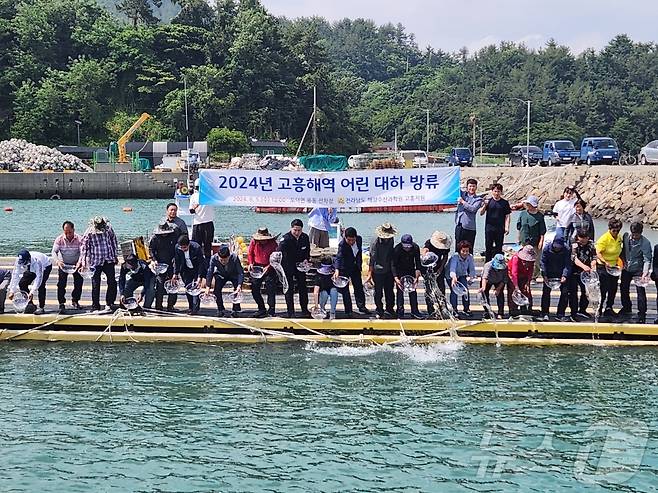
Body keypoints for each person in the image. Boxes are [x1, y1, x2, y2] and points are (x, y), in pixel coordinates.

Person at [80, 216, 119, 313]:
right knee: (95, 284)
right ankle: (95, 305)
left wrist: (115, 255)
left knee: (112, 282)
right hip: (95, 261)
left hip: (108, 259)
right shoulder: (89, 232)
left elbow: (114, 241)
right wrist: (84, 262)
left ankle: (109, 303)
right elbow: (84, 247)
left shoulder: (108, 229)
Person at [277, 219, 311, 318]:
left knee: (303, 288)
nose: (297, 233)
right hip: (288, 266)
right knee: (289, 289)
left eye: (299, 230)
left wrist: (306, 259)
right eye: (295, 230)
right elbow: (278, 253)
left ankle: (304, 309)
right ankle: (290, 311)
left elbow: (307, 251)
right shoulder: (285, 239)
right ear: (291, 228)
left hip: (300, 266)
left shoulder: (305, 237)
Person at [619, 222, 652, 323]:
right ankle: (626, 307)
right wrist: (622, 262)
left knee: (640, 290)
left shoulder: (645, 243)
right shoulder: (625, 236)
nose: (634, 236)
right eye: (633, 234)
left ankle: (642, 312)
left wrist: (645, 273)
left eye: (636, 234)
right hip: (626, 267)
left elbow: (647, 259)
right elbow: (622, 250)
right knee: (623, 287)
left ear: (641, 233)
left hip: (638, 268)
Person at [335, 227, 370, 315]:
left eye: (353, 240)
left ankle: (362, 307)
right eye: (349, 240)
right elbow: (339, 257)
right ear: (345, 238)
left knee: (358, 287)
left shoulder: (359, 239)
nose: (351, 242)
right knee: (345, 290)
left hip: (355, 267)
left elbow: (359, 252)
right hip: (345, 268)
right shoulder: (342, 244)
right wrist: (337, 269)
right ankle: (348, 310)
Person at [51, 220, 83, 313]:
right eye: (66, 232)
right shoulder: (59, 239)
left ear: (74, 230)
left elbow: (83, 252)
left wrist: (80, 262)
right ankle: (61, 302)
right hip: (63, 263)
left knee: (78, 283)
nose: (68, 234)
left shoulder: (79, 239)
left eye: (70, 232)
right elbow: (54, 252)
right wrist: (57, 261)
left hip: (76, 263)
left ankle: (75, 300)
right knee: (61, 284)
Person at [7, 249, 52, 315]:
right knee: (22, 283)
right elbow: (15, 275)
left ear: (29, 259)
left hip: (45, 266)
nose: (22, 264)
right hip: (30, 267)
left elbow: (38, 278)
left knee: (41, 286)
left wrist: (32, 291)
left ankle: (41, 307)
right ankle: (30, 304)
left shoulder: (37, 261)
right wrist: (12, 291)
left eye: (24, 263)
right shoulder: (18, 260)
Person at [367, 223, 397, 318]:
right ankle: (379, 310)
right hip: (378, 270)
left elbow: (391, 253)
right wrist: (369, 274)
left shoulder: (391, 239)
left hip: (388, 269)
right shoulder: (375, 242)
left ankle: (390, 309)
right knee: (378, 292)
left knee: (390, 291)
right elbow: (372, 258)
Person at [247, 227, 279, 317]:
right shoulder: (254, 242)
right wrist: (250, 263)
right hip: (257, 266)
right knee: (254, 288)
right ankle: (261, 308)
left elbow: (276, 257)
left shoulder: (273, 243)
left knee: (271, 288)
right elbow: (250, 253)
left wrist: (268, 266)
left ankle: (271, 309)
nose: (262, 241)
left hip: (270, 266)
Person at [205, 244, 244, 317]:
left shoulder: (234, 257)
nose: (223, 262)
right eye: (221, 260)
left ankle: (235, 309)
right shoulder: (214, 258)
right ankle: (220, 309)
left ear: (229, 257)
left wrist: (239, 286)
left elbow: (240, 273)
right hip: (221, 274)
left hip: (233, 274)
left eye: (225, 260)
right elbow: (210, 272)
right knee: (216, 290)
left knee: (237, 290)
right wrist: (208, 286)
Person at [595, 218, 623, 319]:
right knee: (603, 288)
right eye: (614, 230)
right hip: (603, 266)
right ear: (610, 229)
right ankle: (599, 308)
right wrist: (604, 261)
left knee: (613, 288)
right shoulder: (604, 238)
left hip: (614, 266)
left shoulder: (619, 237)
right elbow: (597, 252)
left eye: (618, 230)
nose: (616, 232)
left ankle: (609, 308)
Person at [149, 221, 179, 312]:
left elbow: (177, 248)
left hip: (171, 262)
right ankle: (158, 306)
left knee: (173, 284)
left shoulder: (173, 236)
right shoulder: (155, 238)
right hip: (160, 264)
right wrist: (154, 260)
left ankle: (171, 305)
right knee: (160, 284)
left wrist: (175, 259)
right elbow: (151, 250)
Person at [539, 237, 571, 321]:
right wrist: (544, 275)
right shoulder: (546, 248)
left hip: (561, 272)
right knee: (546, 293)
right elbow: (542, 262)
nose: (557, 248)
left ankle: (560, 313)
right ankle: (545, 312)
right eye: (556, 246)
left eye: (559, 247)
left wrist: (565, 275)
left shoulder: (567, 249)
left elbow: (567, 264)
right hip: (549, 273)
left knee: (565, 293)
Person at [392, 234, 422, 319]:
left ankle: (415, 311)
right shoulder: (397, 249)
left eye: (409, 246)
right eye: (405, 246)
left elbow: (417, 263)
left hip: (411, 270)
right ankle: (400, 311)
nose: (407, 248)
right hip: (400, 270)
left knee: (413, 291)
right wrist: (396, 278)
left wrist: (417, 277)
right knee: (400, 292)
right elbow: (393, 264)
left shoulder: (415, 247)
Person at [173, 235, 206, 315]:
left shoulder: (196, 247)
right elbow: (177, 261)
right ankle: (191, 307)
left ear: (188, 244)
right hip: (185, 269)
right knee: (188, 288)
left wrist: (199, 276)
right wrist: (175, 273)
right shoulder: (177, 248)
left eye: (185, 247)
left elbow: (201, 263)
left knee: (195, 288)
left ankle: (195, 308)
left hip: (196, 269)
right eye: (181, 248)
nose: (183, 249)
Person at [421, 231, 451, 317]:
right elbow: (425, 249)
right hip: (427, 266)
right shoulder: (429, 242)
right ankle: (430, 310)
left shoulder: (445, 245)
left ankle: (443, 309)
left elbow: (445, 257)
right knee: (428, 289)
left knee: (441, 288)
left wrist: (441, 268)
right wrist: (425, 255)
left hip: (438, 266)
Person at [569, 229, 597, 320]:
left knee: (586, 292)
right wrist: (583, 266)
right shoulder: (574, 244)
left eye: (585, 238)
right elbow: (574, 258)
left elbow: (594, 256)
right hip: (574, 271)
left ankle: (582, 310)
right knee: (573, 292)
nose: (584, 240)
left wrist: (593, 264)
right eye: (581, 238)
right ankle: (573, 312)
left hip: (586, 272)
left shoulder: (591, 244)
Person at [517, 195, 546, 279]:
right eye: (527, 204)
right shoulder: (523, 214)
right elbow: (519, 227)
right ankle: (524, 275)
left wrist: (541, 241)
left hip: (535, 241)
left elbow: (542, 231)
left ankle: (534, 276)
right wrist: (518, 237)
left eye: (530, 204)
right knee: (523, 258)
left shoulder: (539, 216)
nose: (528, 206)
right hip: (524, 240)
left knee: (535, 260)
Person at [480, 183, 511, 261]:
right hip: (489, 228)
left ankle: (499, 265)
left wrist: (507, 227)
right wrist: (485, 205)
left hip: (500, 228)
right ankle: (487, 265)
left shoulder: (505, 203)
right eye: (495, 191)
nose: (497, 193)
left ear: (501, 192)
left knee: (499, 248)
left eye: (498, 191)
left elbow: (507, 215)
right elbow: (481, 213)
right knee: (488, 247)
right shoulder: (488, 201)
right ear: (492, 191)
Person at [446, 240, 476, 317]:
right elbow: (452, 269)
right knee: (454, 291)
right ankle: (454, 310)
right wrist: (454, 278)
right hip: (451, 276)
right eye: (463, 251)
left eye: (467, 251)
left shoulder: (470, 257)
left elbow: (472, 269)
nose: (465, 253)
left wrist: (471, 278)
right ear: (459, 251)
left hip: (462, 274)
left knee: (465, 291)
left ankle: (466, 309)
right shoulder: (455, 257)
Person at [189, 178, 215, 259]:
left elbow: (191, 211)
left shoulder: (194, 196)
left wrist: (195, 207)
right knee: (207, 246)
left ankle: (200, 264)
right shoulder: (210, 195)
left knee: (197, 246)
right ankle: (206, 264)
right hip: (205, 223)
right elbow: (192, 210)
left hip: (199, 223)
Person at [455, 178, 483, 253]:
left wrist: (463, 202)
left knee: (469, 249)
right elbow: (455, 187)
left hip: (470, 227)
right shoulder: (462, 194)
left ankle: (469, 264)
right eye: (470, 186)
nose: (471, 188)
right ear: (467, 187)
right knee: (458, 248)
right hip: (459, 225)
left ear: (476, 187)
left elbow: (473, 209)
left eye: (473, 186)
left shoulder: (478, 199)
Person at [479, 254, 509, 319]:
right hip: (488, 280)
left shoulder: (506, 267)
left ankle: (500, 313)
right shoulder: (488, 265)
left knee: (500, 294)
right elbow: (484, 277)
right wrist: (483, 287)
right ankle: (487, 311)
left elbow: (504, 280)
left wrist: (498, 289)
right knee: (484, 294)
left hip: (499, 280)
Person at [508, 245, 536, 317]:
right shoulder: (515, 258)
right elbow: (514, 273)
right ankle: (513, 310)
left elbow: (530, 272)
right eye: (524, 261)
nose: (526, 263)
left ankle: (526, 309)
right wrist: (516, 287)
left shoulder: (531, 262)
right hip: (513, 275)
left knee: (526, 291)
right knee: (513, 291)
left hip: (524, 275)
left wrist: (528, 282)